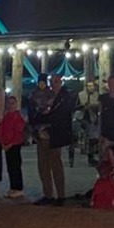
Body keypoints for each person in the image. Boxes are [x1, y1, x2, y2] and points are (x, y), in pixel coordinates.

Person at [35, 75, 74, 206]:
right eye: (52, 82)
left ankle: (61, 195)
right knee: (43, 165)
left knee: (55, 165)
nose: (53, 84)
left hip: (55, 135)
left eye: (56, 82)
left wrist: (44, 119)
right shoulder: (47, 96)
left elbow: (60, 116)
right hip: (43, 133)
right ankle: (48, 194)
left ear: (61, 83)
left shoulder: (65, 97)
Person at [0, 95, 27, 199]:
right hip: (7, 145)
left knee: (15, 167)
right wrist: (2, 143)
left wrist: (10, 144)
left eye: (12, 103)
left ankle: (18, 188)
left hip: (14, 145)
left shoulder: (18, 117)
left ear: (16, 105)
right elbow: (0, 130)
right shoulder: (5, 116)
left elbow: (18, 133)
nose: (10, 105)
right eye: (9, 103)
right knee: (10, 168)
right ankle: (13, 187)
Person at [77, 79, 101, 164]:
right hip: (84, 118)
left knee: (95, 137)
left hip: (95, 118)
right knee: (91, 137)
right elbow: (76, 107)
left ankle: (93, 154)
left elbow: (100, 106)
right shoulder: (80, 95)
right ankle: (90, 156)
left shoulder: (97, 95)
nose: (91, 88)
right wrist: (83, 106)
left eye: (92, 86)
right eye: (89, 86)